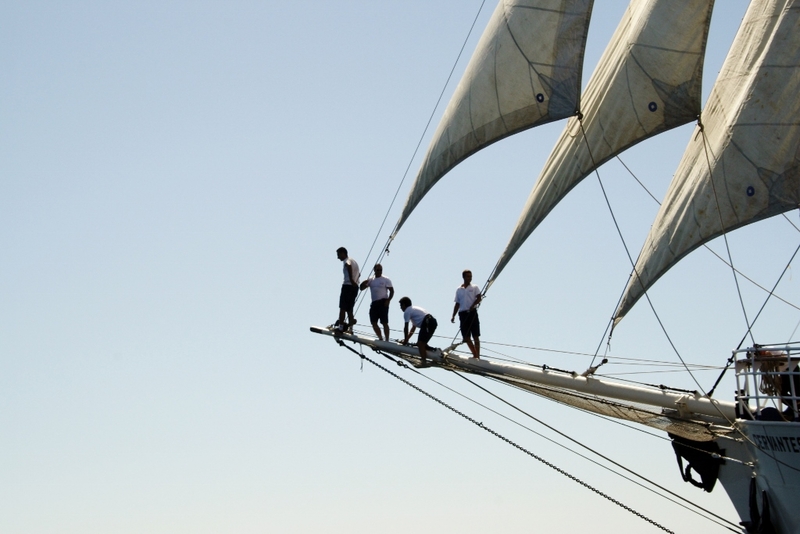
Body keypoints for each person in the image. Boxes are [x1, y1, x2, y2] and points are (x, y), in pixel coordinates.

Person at [451, 269, 481, 359]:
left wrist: (473, 305)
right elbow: (457, 303)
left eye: (471, 276)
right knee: (466, 337)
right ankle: (474, 354)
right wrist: (453, 315)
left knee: (475, 335)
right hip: (463, 314)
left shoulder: (474, 287)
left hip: (472, 313)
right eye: (468, 276)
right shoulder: (459, 289)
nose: (470, 278)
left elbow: (479, 298)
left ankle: (477, 356)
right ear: (463, 277)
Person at [399, 296, 437, 366]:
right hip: (431, 322)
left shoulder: (407, 311)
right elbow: (413, 328)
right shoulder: (413, 309)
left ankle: (424, 362)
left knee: (420, 344)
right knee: (422, 344)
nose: (400, 308)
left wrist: (405, 341)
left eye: (401, 306)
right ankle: (433, 352)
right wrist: (406, 338)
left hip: (427, 323)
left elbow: (406, 327)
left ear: (404, 305)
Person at [359, 264, 394, 340]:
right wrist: (363, 283)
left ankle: (387, 339)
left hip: (383, 302)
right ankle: (380, 338)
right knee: (373, 322)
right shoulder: (371, 280)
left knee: (384, 322)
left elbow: (392, 291)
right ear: (374, 270)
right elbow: (361, 288)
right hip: (374, 303)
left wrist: (388, 300)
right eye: (378, 270)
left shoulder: (385, 279)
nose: (379, 271)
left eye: (381, 270)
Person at [336, 247, 360, 332]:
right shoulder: (355, 262)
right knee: (350, 308)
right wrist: (355, 282)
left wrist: (351, 280)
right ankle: (351, 328)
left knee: (342, 307)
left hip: (347, 286)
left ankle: (341, 327)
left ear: (343, 253)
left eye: (338, 255)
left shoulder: (347, 261)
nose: (338, 257)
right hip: (355, 287)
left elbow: (348, 266)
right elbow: (359, 274)